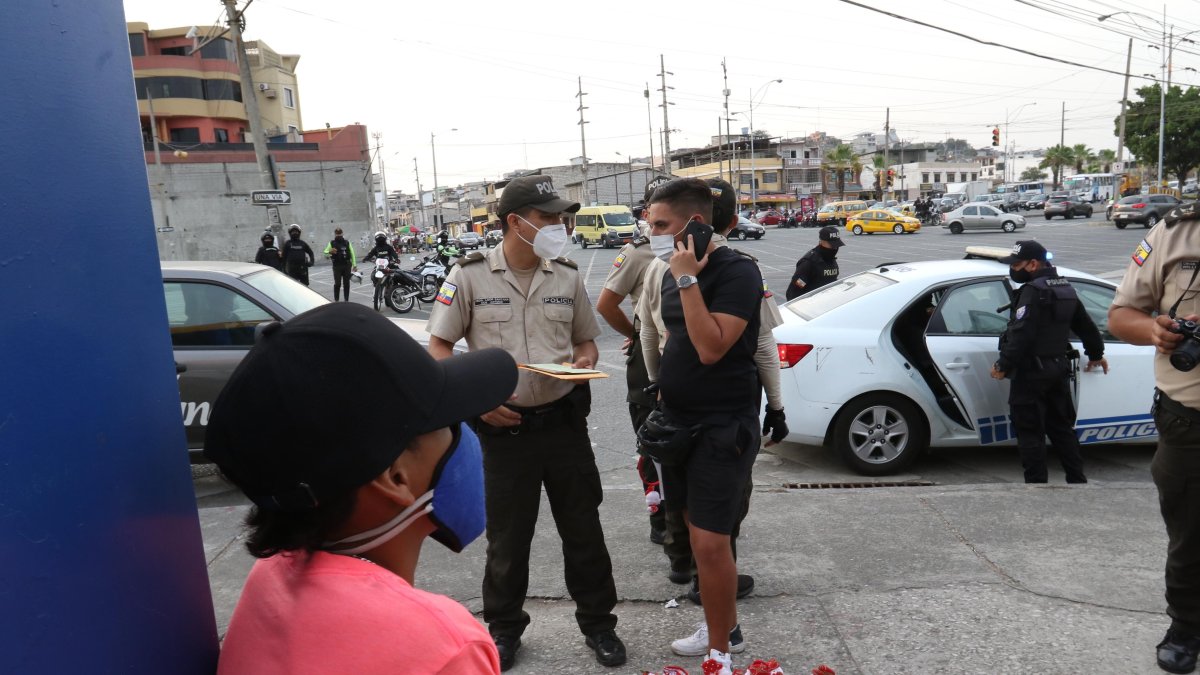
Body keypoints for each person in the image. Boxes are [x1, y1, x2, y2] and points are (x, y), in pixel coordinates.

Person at [203, 302, 519, 675]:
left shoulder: (270, 577)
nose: (462, 436)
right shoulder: (441, 648)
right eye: (448, 421)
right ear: (395, 477)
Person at [425, 175, 625, 671]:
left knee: (584, 531)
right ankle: (505, 630)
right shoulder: (469, 275)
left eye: (561, 216)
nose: (560, 225)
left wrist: (583, 361)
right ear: (516, 222)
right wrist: (474, 401)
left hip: (563, 426)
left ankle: (599, 625)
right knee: (509, 541)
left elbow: (586, 340)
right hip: (503, 432)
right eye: (549, 217)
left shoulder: (567, 275)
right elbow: (439, 348)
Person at [637, 179, 787, 660]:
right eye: (650, 223)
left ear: (694, 223)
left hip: (723, 426)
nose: (651, 232)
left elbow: (711, 346)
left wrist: (686, 279)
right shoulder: (667, 270)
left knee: (710, 541)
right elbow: (666, 339)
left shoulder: (736, 271)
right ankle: (723, 626)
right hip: (679, 421)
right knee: (688, 527)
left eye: (660, 224)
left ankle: (720, 655)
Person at [1109, 202, 1200, 674]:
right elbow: (1120, 315)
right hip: (1189, 422)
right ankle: (1186, 626)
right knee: (1189, 535)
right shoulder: (1175, 233)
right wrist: (1155, 332)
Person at [594, 176, 676, 552]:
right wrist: (636, 331)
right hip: (648, 366)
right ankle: (660, 518)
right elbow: (606, 304)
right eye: (653, 215)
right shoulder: (640, 253)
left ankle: (686, 521)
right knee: (651, 446)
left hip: (688, 366)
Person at [989, 240, 1108, 484]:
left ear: (1033, 264)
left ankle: (1036, 486)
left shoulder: (1033, 291)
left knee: (1030, 431)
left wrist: (1003, 365)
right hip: (1057, 368)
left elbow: (1022, 334)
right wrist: (1096, 354)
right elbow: (1086, 326)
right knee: (1061, 428)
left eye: (1017, 264)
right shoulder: (1065, 287)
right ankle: (1077, 480)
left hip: (1030, 372)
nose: (1013, 269)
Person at [785, 226, 843, 301]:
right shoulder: (809, 262)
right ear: (821, 242)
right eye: (832, 245)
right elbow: (794, 291)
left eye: (837, 245)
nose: (835, 248)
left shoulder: (830, 258)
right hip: (811, 307)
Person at [362, 231, 399, 311]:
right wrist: (366, 258)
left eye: (381, 237)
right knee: (373, 275)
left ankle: (394, 293)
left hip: (389, 265)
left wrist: (396, 259)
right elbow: (370, 254)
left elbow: (394, 253)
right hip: (379, 266)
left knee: (396, 276)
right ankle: (376, 287)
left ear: (385, 238)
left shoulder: (388, 247)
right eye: (379, 238)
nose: (380, 239)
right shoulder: (376, 248)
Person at [322, 227, 357, 302]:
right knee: (337, 283)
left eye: (339, 234)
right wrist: (330, 252)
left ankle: (346, 299)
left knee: (346, 283)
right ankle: (336, 300)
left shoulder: (347, 242)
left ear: (342, 234)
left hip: (347, 265)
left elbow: (352, 253)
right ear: (335, 234)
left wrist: (354, 265)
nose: (338, 235)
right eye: (337, 234)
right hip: (337, 266)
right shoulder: (332, 243)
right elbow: (325, 252)